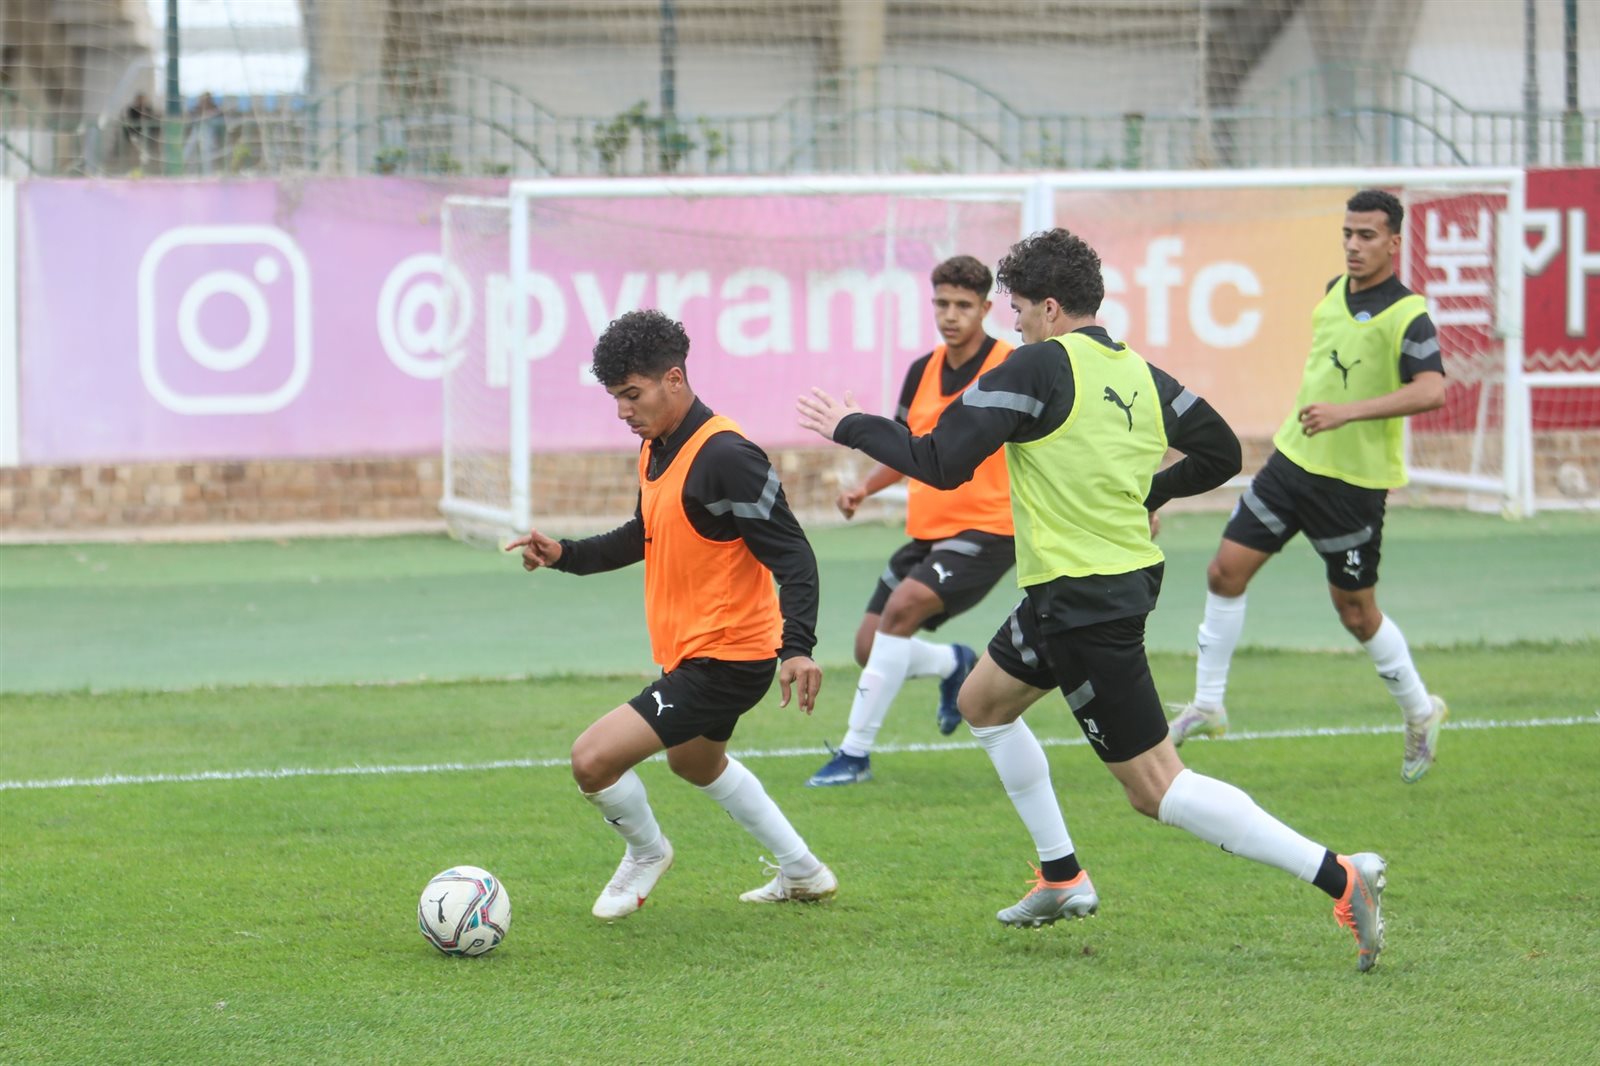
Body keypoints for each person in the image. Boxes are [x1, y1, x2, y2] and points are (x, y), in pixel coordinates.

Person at [797, 228, 1388, 972]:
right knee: (982, 703)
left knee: (1157, 788)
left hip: (1086, 601)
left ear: (1048, 308)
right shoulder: (1137, 370)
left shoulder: (1038, 364)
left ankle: (1340, 875)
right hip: (1082, 589)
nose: (1013, 326)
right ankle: (1060, 874)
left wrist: (847, 426)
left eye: (1017, 310)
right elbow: (1221, 451)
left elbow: (941, 462)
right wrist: (1149, 491)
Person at [509, 309, 836, 920]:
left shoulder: (728, 456)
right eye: (615, 397)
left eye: (632, 395)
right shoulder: (655, 447)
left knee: (593, 760)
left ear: (675, 380)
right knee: (695, 762)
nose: (622, 411)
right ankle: (803, 872)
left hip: (729, 658)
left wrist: (798, 646)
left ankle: (647, 852)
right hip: (695, 654)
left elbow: (793, 554)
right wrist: (565, 555)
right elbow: (645, 533)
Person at [1167, 189, 1450, 784]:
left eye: (1367, 235)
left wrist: (1348, 413)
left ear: (1394, 242)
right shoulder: (1332, 292)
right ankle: (1210, 704)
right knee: (1224, 572)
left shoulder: (1409, 314)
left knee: (1356, 613)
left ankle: (1420, 710)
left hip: (1352, 487)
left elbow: (1432, 390)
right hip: (1292, 465)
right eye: (1348, 233)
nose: (1353, 245)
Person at [807, 255, 1016, 787]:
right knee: (869, 646)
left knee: (900, 611)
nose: (951, 315)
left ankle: (854, 755)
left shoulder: (1010, 367)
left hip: (990, 529)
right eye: (942, 303)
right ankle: (953, 663)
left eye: (963, 305)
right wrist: (864, 489)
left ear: (985, 308)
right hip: (928, 530)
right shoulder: (922, 370)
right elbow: (904, 447)